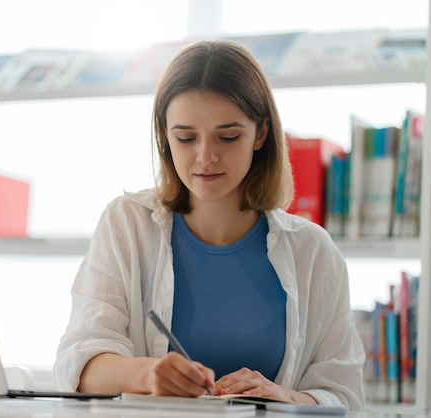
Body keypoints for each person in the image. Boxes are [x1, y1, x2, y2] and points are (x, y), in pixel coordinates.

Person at [52, 39, 365, 411]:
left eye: (228, 136)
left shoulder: (313, 251)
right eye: (185, 137)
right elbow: (78, 362)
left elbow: (345, 398)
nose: (206, 157)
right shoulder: (127, 225)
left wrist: (286, 397)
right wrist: (148, 375)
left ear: (261, 135)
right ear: (164, 136)